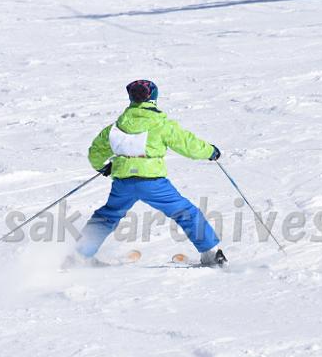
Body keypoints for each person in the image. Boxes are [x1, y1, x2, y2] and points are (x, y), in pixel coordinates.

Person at [69, 80, 227, 267]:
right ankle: (210, 253)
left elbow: (96, 151)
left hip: (123, 184)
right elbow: (187, 144)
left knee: (107, 215)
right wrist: (210, 151)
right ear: (153, 98)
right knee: (186, 212)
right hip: (153, 183)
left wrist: (103, 167)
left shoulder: (117, 126)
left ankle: (80, 256)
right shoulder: (160, 124)